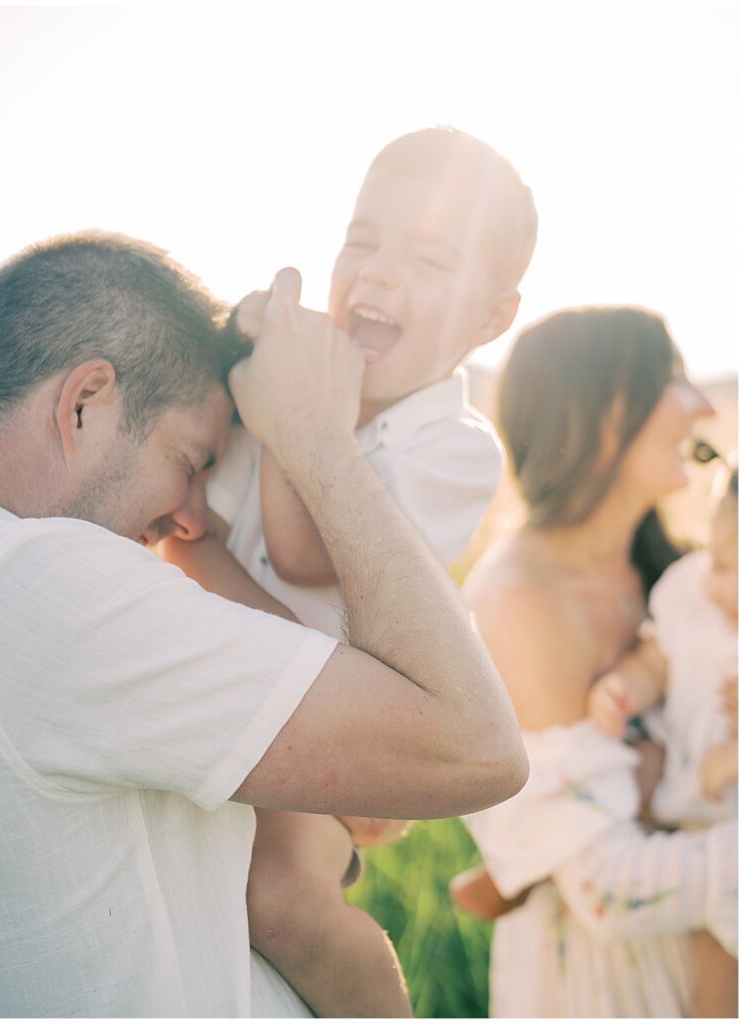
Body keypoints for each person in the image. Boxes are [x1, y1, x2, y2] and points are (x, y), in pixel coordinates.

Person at [0, 231, 528, 1019]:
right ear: (84, 403)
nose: (188, 518)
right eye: (192, 460)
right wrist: (310, 435)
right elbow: (476, 748)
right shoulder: (40, 580)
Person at [162, 126, 538, 1016]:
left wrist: (304, 415)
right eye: (360, 242)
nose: (375, 274)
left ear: (492, 318)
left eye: (428, 258)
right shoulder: (269, 377)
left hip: (323, 736)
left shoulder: (452, 448)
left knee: (282, 900)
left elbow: (303, 552)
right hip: (209, 705)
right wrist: (244, 332)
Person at [450, 307, 737, 1017]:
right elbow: (608, 890)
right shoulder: (518, 602)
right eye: (671, 378)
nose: (701, 404)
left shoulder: (681, 581)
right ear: (606, 411)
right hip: (604, 985)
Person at [587, 464, 738, 1017]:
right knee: (624, 776)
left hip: (729, 822)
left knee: (720, 966)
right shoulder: (689, 595)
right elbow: (656, 658)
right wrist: (624, 686)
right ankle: (520, 877)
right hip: (675, 787)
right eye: (722, 562)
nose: (727, 586)